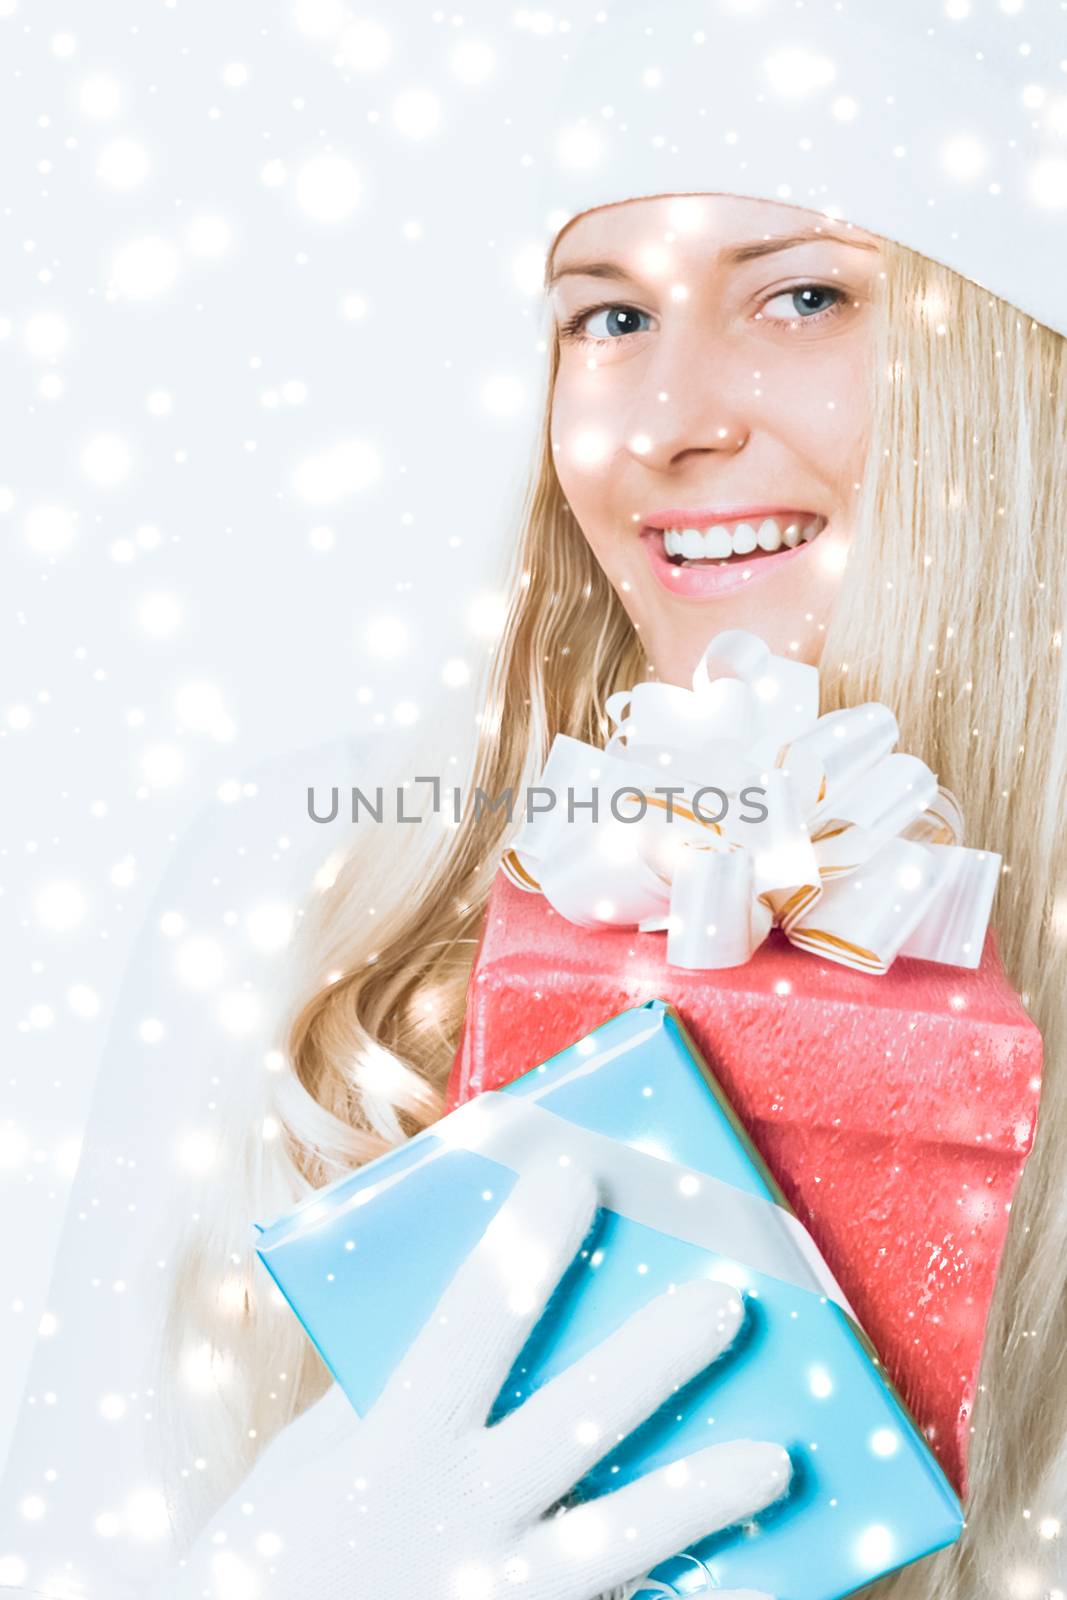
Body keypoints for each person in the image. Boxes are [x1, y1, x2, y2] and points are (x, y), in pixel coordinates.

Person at [4, 5, 1066, 1598]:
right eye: (608, 318)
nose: (664, 423)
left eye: (802, 295)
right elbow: (79, 1536)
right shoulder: (302, 891)